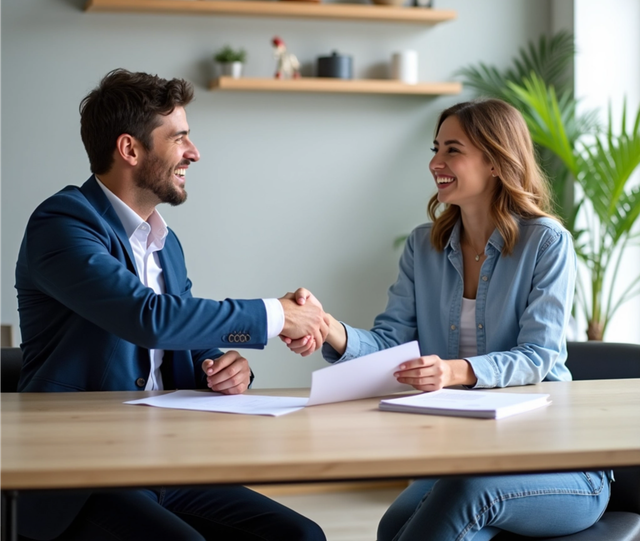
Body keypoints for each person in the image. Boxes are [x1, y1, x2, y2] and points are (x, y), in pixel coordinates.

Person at [15, 69, 327, 541]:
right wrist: (278, 315)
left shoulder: (165, 242)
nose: (194, 152)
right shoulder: (61, 225)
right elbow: (148, 319)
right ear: (130, 149)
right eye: (180, 138)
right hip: (81, 474)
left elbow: (181, 336)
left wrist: (221, 366)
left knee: (301, 536)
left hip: (166, 461)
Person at [285, 99, 611, 540]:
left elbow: (539, 355)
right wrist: (332, 330)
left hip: (558, 462)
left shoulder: (547, 242)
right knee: (394, 528)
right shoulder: (424, 247)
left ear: (495, 161)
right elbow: (392, 344)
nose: (435, 162)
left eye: (452, 150)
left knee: (464, 496)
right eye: (435, 148)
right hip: (466, 459)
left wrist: (453, 371)